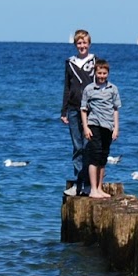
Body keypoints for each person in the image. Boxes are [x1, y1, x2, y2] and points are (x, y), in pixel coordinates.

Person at [60, 30, 96, 196]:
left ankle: (89, 184)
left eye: (84, 43)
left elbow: (100, 85)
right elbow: (67, 87)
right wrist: (64, 110)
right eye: (79, 43)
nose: (82, 46)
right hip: (73, 109)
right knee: (77, 146)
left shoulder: (94, 62)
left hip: (90, 109)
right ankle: (78, 183)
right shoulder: (70, 63)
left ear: (89, 44)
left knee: (89, 145)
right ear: (76, 45)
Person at [79, 59, 120, 199]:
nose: (102, 75)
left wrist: (116, 128)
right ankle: (93, 189)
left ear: (108, 73)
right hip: (94, 124)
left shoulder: (113, 89)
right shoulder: (89, 89)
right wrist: (85, 127)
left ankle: (99, 187)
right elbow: (83, 109)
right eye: (99, 73)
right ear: (95, 73)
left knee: (103, 157)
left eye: (104, 73)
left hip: (108, 126)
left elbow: (115, 109)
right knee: (94, 156)